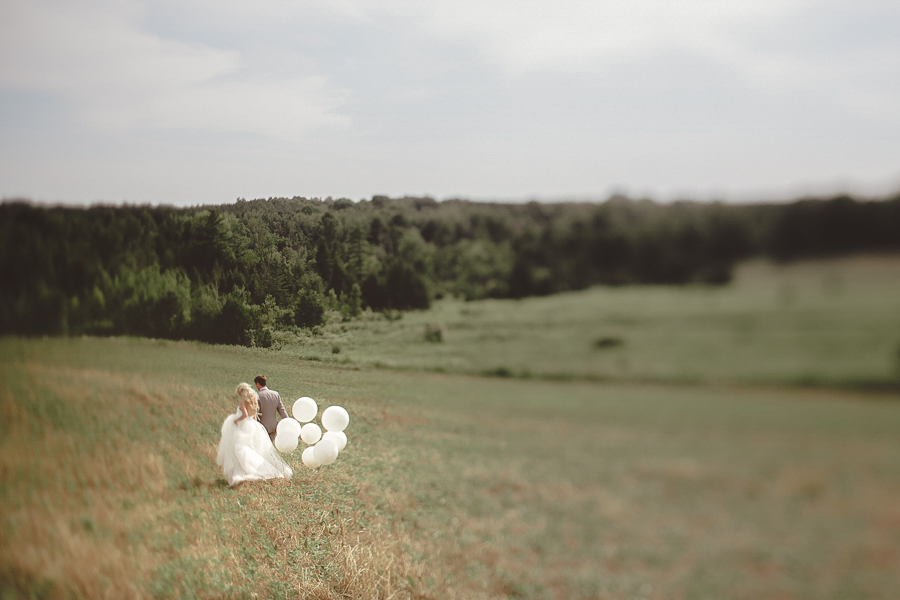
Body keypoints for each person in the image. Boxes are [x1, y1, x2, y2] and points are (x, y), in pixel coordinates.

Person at [217, 382, 292, 487]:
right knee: (255, 449)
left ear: (242, 393)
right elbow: (253, 416)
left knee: (241, 449)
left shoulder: (243, 401)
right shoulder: (254, 400)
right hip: (253, 426)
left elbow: (245, 415)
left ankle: (253, 470)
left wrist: (236, 421)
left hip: (243, 426)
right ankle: (261, 469)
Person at [254, 375, 288, 442]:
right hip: (273, 426)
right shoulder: (275, 394)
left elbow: (256, 413)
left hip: (262, 426)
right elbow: (282, 410)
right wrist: (287, 421)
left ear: (257, 383)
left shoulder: (257, 396)